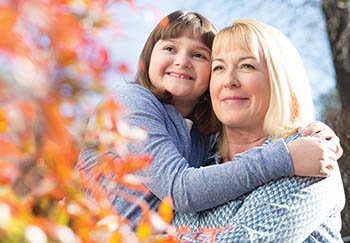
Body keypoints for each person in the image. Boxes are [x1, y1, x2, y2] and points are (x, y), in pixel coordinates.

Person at [76, 11, 342, 231]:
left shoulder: (203, 140)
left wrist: (317, 135)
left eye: (199, 56)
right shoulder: (131, 101)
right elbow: (180, 190)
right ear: (145, 61)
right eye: (169, 48)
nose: (181, 61)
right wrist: (285, 158)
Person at [173, 19, 345, 242]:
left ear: (279, 80)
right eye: (218, 67)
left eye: (247, 66)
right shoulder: (195, 159)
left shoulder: (308, 160)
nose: (229, 81)